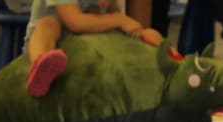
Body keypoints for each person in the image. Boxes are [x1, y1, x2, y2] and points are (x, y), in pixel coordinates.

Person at [23, 0, 163, 97]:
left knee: (150, 34)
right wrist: (120, 21)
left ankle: (171, 67)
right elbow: (74, 21)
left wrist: (138, 31)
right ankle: (40, 65)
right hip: (56, 40)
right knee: (48, 24)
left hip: (87, 42)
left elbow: (110, 12)